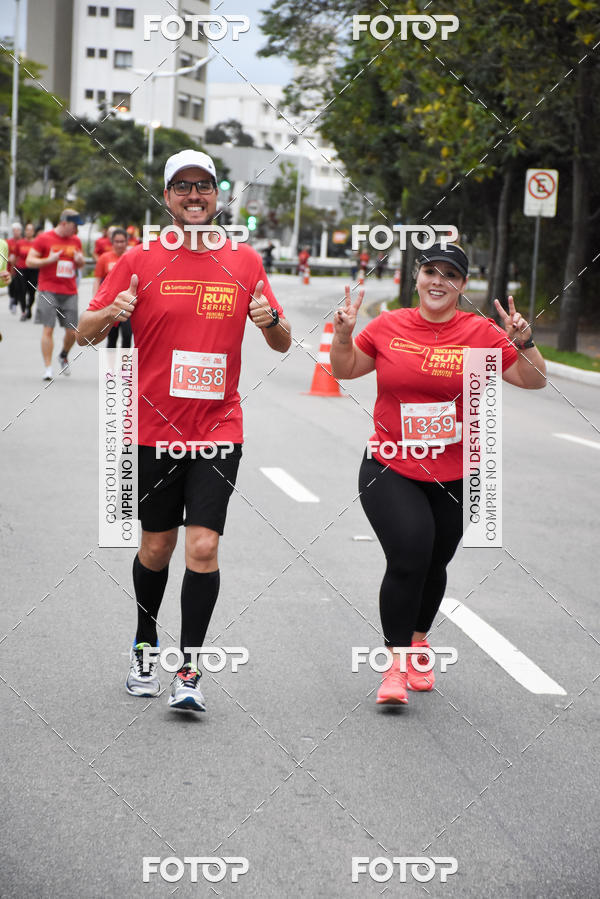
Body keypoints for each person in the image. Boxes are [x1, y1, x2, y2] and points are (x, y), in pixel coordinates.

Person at [77, 149, 292, 713]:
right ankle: (144, 646)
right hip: (152, 428)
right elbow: (84, 332)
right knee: (157, 546)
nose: (194, 197)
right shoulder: (139, 260)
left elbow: (281, 340)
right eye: (182, 188)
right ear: (167, 197)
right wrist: (112, 311)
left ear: (217, 196)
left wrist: (271, 324)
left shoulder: (244, 262)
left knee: (202, 546)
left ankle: (190, 671)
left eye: (204, 187)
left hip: (219, 428)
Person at [330, 243, 546, 706]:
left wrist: (523, 341)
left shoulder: (481, 334)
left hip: (454, 472)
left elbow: (533, 380)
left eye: (450, 274)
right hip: (390, 463)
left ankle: (420, 640)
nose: (438, 281)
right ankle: (394, 666)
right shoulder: (389, 326)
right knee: (409, 553)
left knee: (434, 561)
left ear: (463, 286)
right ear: (417, 277)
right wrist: (344, 335)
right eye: (431, 271)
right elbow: (345, 370)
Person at [26, 209, 86, 380]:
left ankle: (63, 354)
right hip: (48, 289)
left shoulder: (75, 240)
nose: (76, 230)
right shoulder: (44, 239)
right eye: (74, 226)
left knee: (73, 332)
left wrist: (79, 261)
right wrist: (49, 260)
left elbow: (80, 264)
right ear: (64, 223)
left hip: (69, 291)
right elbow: (30, 260)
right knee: (48, 329)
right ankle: (48, 368)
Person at [93, 228, 131, 348]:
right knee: (111, 338)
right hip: (110, 305)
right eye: (117, 241)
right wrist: (95, 300)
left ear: (127, 242)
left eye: (122, 241)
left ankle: (126, 367)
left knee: (127, 336)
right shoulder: (104, 258)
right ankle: (109, 367)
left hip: (128, 305)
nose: (119, 244)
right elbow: (97, 279)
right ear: (112, 242)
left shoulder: (132, 256)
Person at [11, 223, 37, 320]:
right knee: (21, 290)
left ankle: (28, 307)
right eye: (27, 230)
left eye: (30, 230)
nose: (28, 232)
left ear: (33, 232)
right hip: (21, 269)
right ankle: (23, 311)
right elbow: (15, 257)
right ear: (25, 231)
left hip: (33, 269)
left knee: (32, 292)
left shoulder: (36, 243)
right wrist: (12, 270)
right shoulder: (20, 243)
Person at [6, 222, 22, 314]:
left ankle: (15, 303)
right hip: (10, 268)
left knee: (18, 286)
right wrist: (8, 259)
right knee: (11, 286)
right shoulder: (8, 242)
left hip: (20, 268)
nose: (16, 232)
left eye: (17, 230)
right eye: (14, 230)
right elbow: (4, 255)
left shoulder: (23, 241)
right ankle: (12, 298)